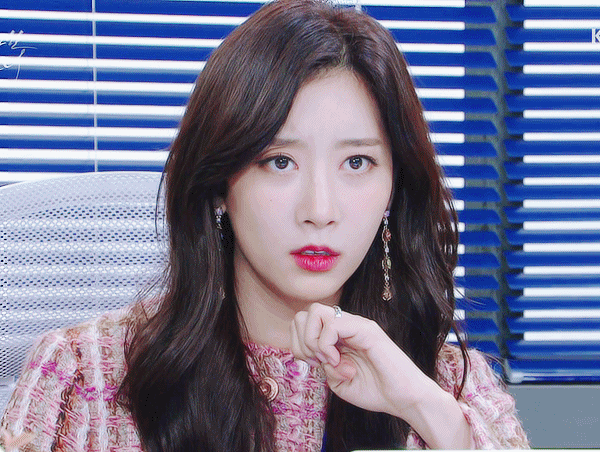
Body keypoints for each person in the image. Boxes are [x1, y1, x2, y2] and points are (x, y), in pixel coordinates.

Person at [0, 1, 530, 451]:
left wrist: (425, 410)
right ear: (218, 184)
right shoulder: (80, 375)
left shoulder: (448, 386)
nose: (320, 209)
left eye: (357, 162)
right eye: (279, 161)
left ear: (394, 188)